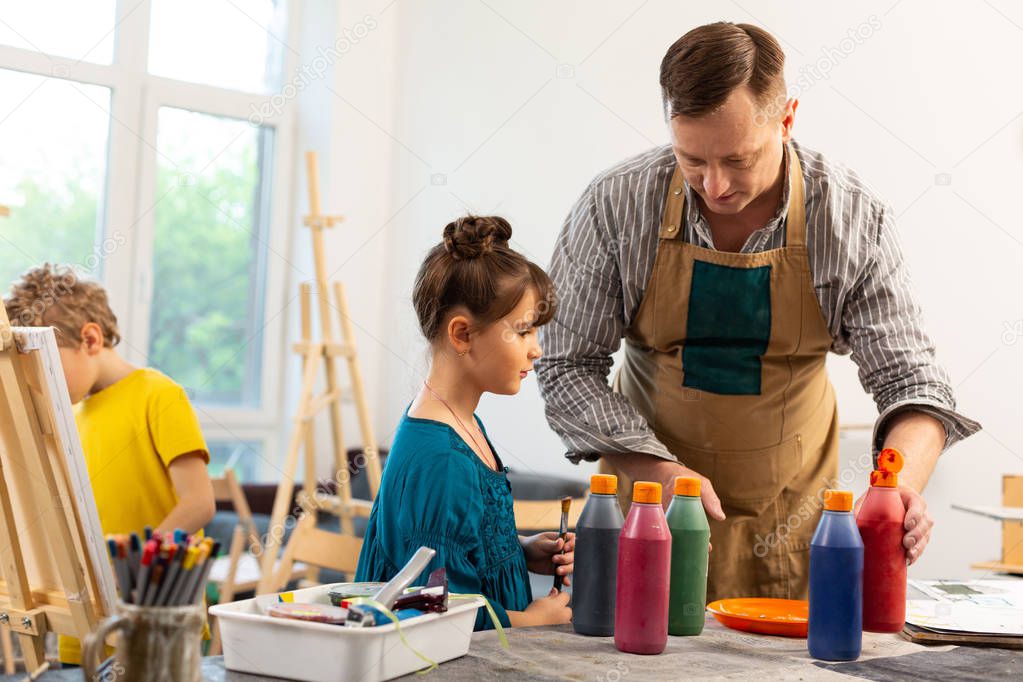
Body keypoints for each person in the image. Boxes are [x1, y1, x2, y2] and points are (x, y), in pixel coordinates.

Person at [535, 22, 980, 601]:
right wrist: (654, 471)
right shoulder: (617, 203)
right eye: (690, 159)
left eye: (737, 160)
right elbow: (565, 365)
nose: (714, 185)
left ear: (787, 119)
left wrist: (899, 488)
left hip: (795, 523)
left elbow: (913, 381)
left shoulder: (847, 216)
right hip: (647, 508)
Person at [355, 215, 573, 630]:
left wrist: (520, 549)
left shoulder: (460, 422)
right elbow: (427, 608)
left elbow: (459, 543)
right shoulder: (441, 460)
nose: (537, 351)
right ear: (462, 334)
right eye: (524, 332)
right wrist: (528, 621)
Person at [4, 263, 215, 664]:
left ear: (90, 338)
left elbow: (199, 504)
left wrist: (129, 567)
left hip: (155, 610)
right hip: (88, 620)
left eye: (46, 362)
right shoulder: (70, 417)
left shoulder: (158, 394)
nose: (37, 381)